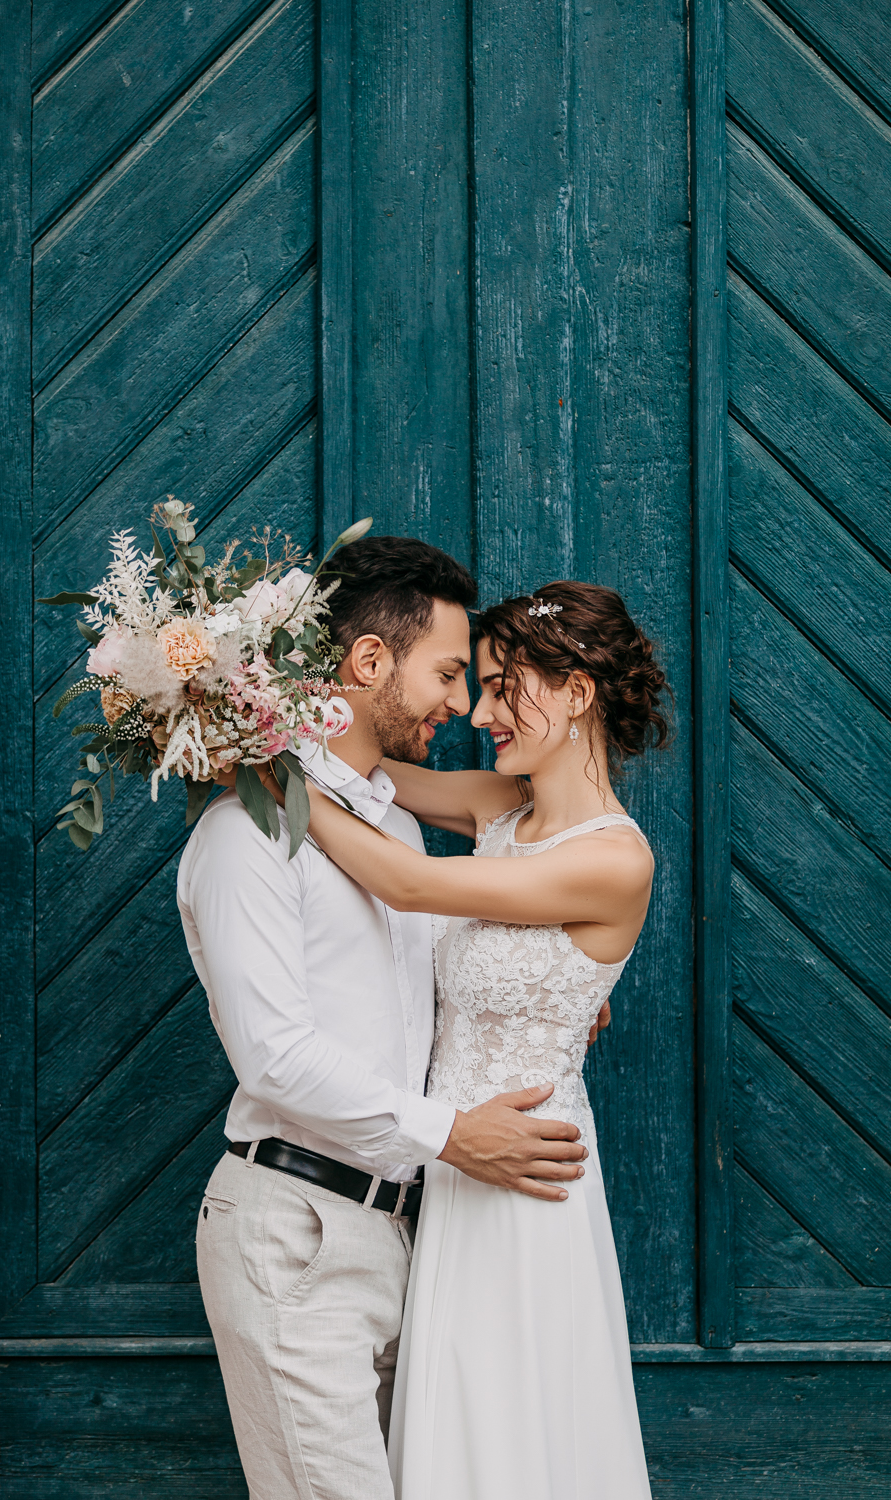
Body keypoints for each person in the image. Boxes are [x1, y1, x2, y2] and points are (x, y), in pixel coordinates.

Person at [178, 538, 593, 1500]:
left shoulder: (398, 830)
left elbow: (421, 1000)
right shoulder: (248, 833)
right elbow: (276, 1056)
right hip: (299, 1236)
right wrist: (455, 1134)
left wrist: (558, 991)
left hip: (415, 1242)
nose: (461, 704)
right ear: (369, 663)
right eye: (449, 673)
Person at [281, 579, 671, 1500]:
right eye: (481, 685)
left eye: (505, 687)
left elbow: (409, 883)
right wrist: (272, 729)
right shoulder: (504, 805)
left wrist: (267, 780)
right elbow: (377, 776)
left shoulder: (616, 859)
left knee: (515, 1422)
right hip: (455, 1168)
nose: (482, 712)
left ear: (578, 692)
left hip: (527, 1186)